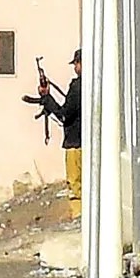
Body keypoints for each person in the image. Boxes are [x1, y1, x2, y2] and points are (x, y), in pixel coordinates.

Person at [24, 48, 83, 216]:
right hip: (88, 143)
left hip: (75, 144)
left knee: (75, 187)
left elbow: (64, 115)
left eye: (76, 63)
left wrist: (47, 99)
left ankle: (78, 217)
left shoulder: (77, 87)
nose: (75, 68)